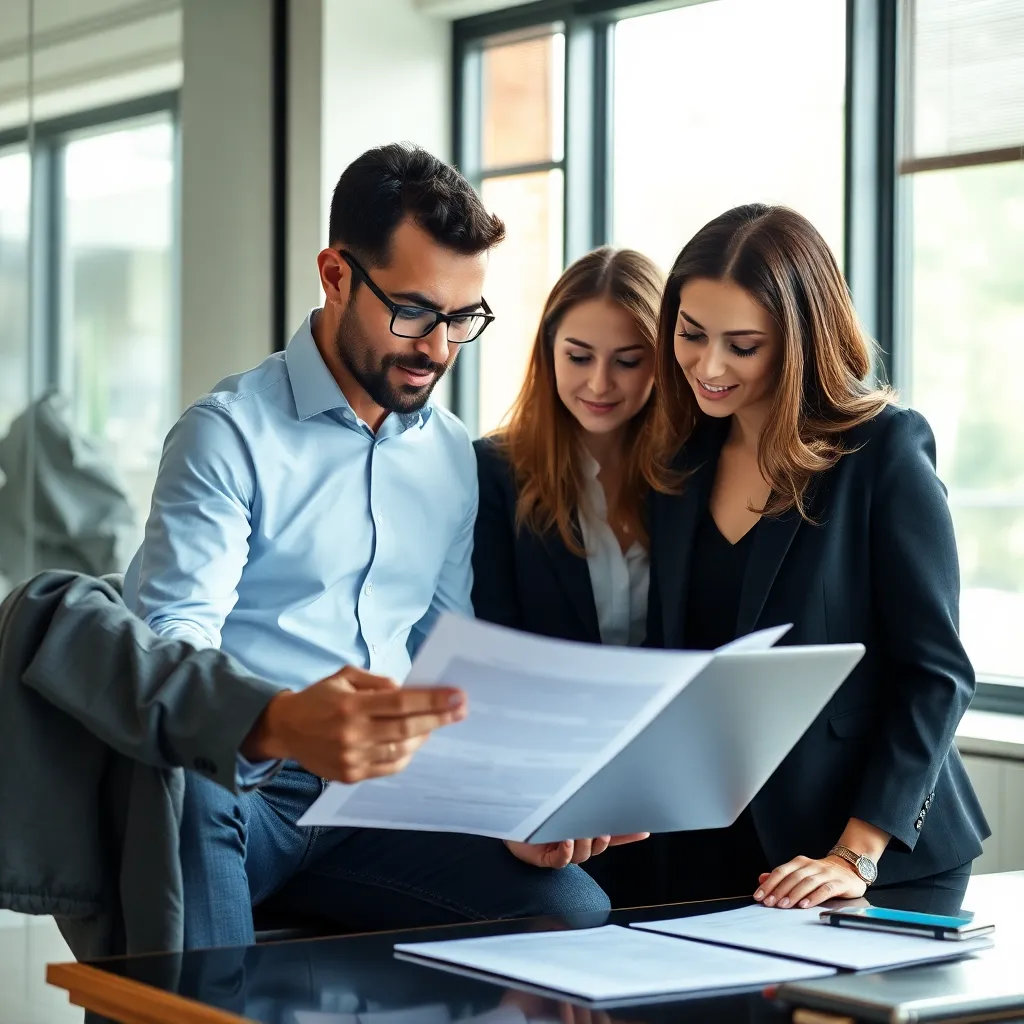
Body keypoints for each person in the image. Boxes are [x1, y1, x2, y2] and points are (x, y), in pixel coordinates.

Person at [123, 143, 613, 949]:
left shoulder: (450, 453)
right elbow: (171, 655)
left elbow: (442, 661)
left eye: (463, 319)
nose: (438, 348)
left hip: (378, 801)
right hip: (245, 791)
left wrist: (506, 805)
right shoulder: (228, 437)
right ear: (337, 274)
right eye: (414, 312)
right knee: (186, 787)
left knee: (570, 911)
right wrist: (280, 722)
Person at [646, 203, 989, 909]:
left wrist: (853, 855)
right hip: (718, 845)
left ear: (800, 339)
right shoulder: (681, 460)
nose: (708, 366)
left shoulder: (882, 451)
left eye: (742, 345)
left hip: (865, 856)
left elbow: (937, 673)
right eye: (690, 334)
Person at [472, 247, 671, 905]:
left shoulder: (693, 480)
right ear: (547, 353)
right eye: (579, 356)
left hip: (667, 795)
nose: (600, 383)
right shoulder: (495, 474)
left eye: (628, 360)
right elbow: (495, 655)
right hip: (548, 788)